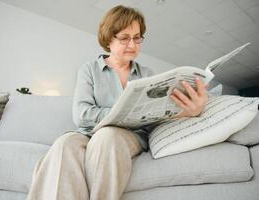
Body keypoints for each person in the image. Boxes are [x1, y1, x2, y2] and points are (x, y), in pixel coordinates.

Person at [26, 5, 208, 200]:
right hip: (88, 133)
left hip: (129, 136)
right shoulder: (89, 70)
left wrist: (189, 112)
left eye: (137, 37)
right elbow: (82, 115)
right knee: (65, 142)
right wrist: (121, 111)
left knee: (107, 135)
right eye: (124, 38)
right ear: (108, 39)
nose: (133, 44)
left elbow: (157, 115)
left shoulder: (147, 74)